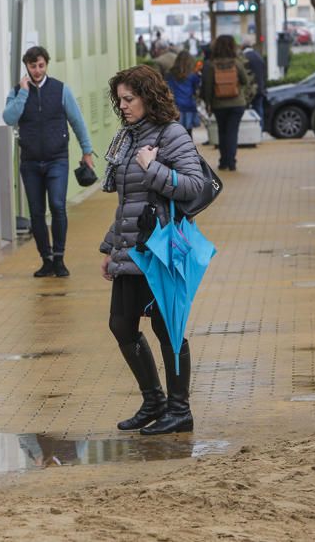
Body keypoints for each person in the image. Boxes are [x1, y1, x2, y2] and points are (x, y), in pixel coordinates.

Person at [100, 64, 204, 435]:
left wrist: (154, 167)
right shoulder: (128, 137)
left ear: (148, 96)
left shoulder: (171, 134)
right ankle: (154, 400)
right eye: (120, 100)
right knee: (121, 325)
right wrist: (110, 248)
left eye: (129, 99)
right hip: (131, 251)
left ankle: (180, 409)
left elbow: (194, 185)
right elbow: (129, 200)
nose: (123, 106)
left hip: (160, 252)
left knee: (168, 329)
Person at [2, 46, 94, 277]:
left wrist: (87, 150)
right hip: (30, 162)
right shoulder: (17, 92)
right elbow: (8, 118)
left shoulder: (61, 90)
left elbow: (77, 120)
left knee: (57, 205)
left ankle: (60, 258)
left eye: (41, 65)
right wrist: (23, 93)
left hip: (57, 160)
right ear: (27, 67)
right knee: (36, 212)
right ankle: (46, 259)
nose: (37, 70)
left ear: (46, 65)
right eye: (32, 66)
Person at [201, 35, 250, 171]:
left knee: (222, 132)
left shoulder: (211, 64)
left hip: (219, 104)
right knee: (232, 132)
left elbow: (208, 87)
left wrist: (208, 103)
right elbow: (245, 81)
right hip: (237, 103)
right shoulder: (236, 62)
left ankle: (223, 161)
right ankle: (232, 162)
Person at [165, 51, 201, 136]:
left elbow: (167, 89)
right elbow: (197, 89)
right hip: (189, 105)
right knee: (188, 133)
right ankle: (189, 149)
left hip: (175, 106)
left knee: (175, 134)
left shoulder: (169, 74)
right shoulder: (193, 75)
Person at [241, 36, 267, 134]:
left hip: (248, 90)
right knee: (259, 110)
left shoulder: (244, 58)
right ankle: (260, 131)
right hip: (260, 88)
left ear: (243, 46)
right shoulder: (258, 56)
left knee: (245, 111)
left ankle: (248, 133)